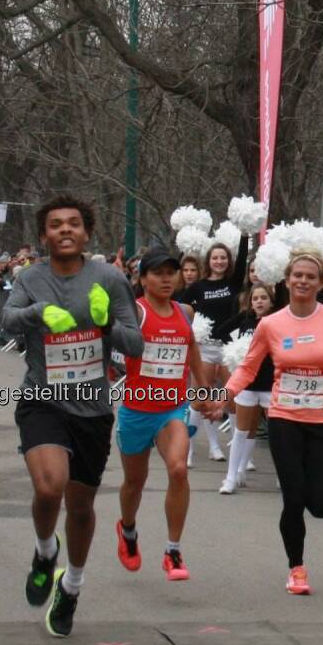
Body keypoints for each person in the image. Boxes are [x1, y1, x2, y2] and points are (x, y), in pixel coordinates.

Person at [1, 194, 142, 637]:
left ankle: (72, 586)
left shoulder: (109, 278)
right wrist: (36, 314)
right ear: (43, 236)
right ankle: (45, 552)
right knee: (50, 487)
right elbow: (5, 321)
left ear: (86, 233)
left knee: (80, 508)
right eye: (56, 225)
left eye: (74, 224)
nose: (65, 230)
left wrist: (105, 328)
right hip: (42, 399)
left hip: (93, 408)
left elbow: (135, 345)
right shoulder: (30, 276)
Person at [211, 249, 323, 595]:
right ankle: (296, 568)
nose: (302, 281)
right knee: (294, 497)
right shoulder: (271, 324)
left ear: (321, 282)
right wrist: (225, 395)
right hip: (284, 417)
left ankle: (307, 527)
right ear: (286, 281)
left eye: (310, 276)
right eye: (296, 275)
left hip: (322, 419)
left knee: (321, 505)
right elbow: (248, 367)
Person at [115, 249, 212, 582]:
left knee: (179, 469)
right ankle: (127, 530)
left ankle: (173, 550)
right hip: (136, 409)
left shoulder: (185, 311)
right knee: (134, 482)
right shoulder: (134, 312)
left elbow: (192, 350)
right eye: (158, 273)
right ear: (143, 279)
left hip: (172, 408)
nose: (167, 278)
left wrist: (204, 388)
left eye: (172, 272)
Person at [179, 235, 250, 461]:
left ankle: (241, 455)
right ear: (208, 261)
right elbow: (180, 306)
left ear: (228, 261)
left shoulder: (233, 283)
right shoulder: (198, 287)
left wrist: (245, 235)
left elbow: (242, 263)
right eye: (215, 258)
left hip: (229, 347)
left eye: (223, 258)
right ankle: (191, 448)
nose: (219, 261)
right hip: (206, 347)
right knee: (200, 398)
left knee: (232, 400)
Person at [213, 282, 279, 494]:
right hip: (248, 385)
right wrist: (235, 350)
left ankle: (283, 476)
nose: (259, 302)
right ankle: (232, 477)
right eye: (255, 298)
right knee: (241, 432)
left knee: (279, 433)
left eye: (263, 298)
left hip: (271, 384)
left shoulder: (278, 321)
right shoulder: (246, 319)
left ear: (271, 301)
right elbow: (219, 331)